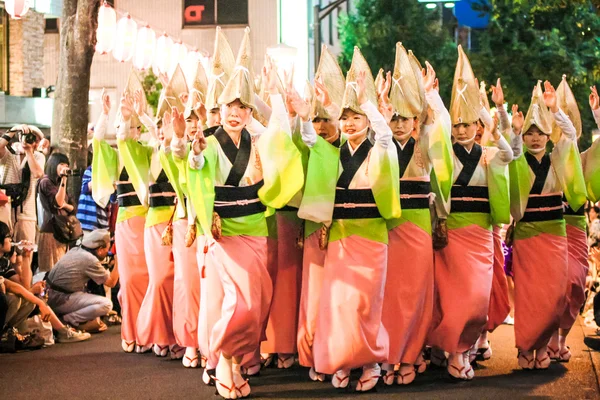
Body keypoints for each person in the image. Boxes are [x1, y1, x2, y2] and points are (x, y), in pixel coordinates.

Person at [186, 27, 303, 399]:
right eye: (227, 109)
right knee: (240, 299)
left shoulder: (258, 139)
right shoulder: (208, 138)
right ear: (218, 111)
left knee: (259, 299)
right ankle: (222, 358)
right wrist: (194, 153)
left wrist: (274, 94)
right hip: (226, 231)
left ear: (249, 112)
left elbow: (282, 142)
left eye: (241, 109)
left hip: (256, 226)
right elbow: (195, 167)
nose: (234, 115)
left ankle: (235, 362)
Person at [290, 46, 400, 392]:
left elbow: (385, 134)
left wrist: (367, 101)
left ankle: (370, 363)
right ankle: (341, 360)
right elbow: (309, 138)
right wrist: (306, 114)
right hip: (339, 237)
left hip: (371, 238)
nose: (350, 123)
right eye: (346, 117)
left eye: (356, 118)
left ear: (366, 121)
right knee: (339, 304)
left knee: (367, 306)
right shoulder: (331, 153)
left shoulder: (381, 148)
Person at [427, 46, 513, 380]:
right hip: (452, 236)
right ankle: (456, 353)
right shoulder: (443, 153)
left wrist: (495, 116)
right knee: (454, 298)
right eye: (457, 125)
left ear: (478, 125)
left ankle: (461, 347)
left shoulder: (491, 154)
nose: (461, 131)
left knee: (478, 301)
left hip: (480, 236)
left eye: (468, 125)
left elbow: (510, 151)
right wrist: (433, 98)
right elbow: (431, 132)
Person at [377, 45, 453, 385]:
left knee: (417, 293)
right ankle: (389, 355)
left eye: (405, 118)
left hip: (419, 226)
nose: (398, 124)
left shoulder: (425, 141)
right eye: (393, 118)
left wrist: (431, 97)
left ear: (415, 119)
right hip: (387, 226)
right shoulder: (380, 142)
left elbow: (444, 132)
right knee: (388, 294)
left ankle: (409, 355)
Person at [509, 80, 587, 370]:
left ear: (547, 135)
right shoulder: (519, 160)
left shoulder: (557, 157)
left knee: (554, 295)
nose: (534, 139)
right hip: (528, 236)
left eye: (539, 133)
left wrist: (555, 110)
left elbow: (570, 134)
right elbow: (513, 152)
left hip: (556, 234)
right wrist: (516, 132)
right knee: (529, 295)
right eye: (530, 134)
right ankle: (527, 347)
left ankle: (543, 344)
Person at [295, 45, 344, 383]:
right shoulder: (312, 143)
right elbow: (309, 137)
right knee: (314, 298)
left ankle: (341, 354)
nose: (322, 125)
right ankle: (313, 354)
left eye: (329, 117)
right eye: (317, 118)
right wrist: (301, 116)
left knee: (343, 299)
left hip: (348, 230)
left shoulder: (360, 147)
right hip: (314, 228)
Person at [92, 85, 150, 354]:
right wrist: (104, 114)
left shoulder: (149, 155)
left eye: (136, 127)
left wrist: (143, 114)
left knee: (150, 279)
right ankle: (131, 331)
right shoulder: (115, 158)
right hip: (127, 224)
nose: (130, 131)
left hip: (149, 224)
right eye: (126, 125)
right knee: (128, 281)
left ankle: (150, 332)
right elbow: (99, 142)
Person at [0, 221, 90, 343]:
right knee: (17, 299)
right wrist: (37, 299)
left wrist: (26, 257)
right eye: (7, 237)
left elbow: (23, 286)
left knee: (29, 300)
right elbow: (13, 287)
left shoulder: (4, 262)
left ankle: (8, 333)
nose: (10, 240)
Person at [45, 229, 118, 333]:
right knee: (106, 304)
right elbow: (111, 282)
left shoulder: (76, 250)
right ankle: (69, 319)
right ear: (100, 249)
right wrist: (118, 260)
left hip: (52, 295)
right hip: (59, 299)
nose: (108, 252)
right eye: (107, 248)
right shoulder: (90, 260)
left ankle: (68, 318)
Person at [37, 152, 75, 272]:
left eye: (67, 165)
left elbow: (73, 208)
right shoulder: (45, 182)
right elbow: (58, 203)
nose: (65, 167)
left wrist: (65, 205)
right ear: (53, 165)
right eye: (62, 164)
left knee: (62, 270)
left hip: (62, 231)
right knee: (52, 271)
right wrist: (64, 178)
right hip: (51, 231)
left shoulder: (59, 184)